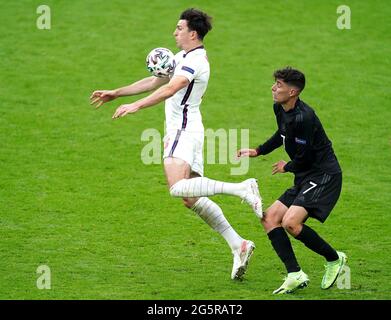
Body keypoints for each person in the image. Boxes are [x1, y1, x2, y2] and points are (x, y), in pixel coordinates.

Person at [90, 8, 262, 280]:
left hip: (182, 131)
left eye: (179, 28)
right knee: (189, 197)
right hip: (189, 130)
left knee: (177, 188)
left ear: (192, 33)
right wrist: (117, 92)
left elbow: (171, 88)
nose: (175, 32)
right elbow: (157, 81)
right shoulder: (183, 57)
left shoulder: (196, 61)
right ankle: (238, 244)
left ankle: (242, 188)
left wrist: (135, 106)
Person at [238, 67, 347, 294]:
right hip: (305, 174)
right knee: (269, 218)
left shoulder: (304, 117)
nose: (273, 88)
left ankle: (334, 258)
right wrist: (259, 150)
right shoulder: (280, 108)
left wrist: (286, 166)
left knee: (291, 223)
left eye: (279, 85)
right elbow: (282, 134)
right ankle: (295, 273)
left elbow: (305, 157)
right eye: (275, 83)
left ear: (293, 92)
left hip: (323, 175)